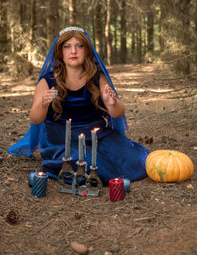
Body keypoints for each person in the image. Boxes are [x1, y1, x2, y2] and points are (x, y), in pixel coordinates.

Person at [8, 26, 149, 185]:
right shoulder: (47, 81)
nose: (73, 51)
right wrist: (43, 104)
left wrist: (112, 103)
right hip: (61, 138)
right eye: (67, 46)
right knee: (86, 162)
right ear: (60, 51)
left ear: (87, 50)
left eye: (79, 46)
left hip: (97, 134)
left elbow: (117, 113)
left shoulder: (97, 77)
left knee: (132, 159)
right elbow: (35, 119)